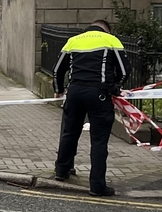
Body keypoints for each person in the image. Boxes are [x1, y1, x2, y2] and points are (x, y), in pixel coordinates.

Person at [52, 19, 127, 197]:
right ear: (106, 30)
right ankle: (97, 186)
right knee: (99, 140)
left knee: (70, 133)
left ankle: (61, 171)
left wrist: (58, 89)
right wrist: (115, 87)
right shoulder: (111, 40)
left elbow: (57, 70)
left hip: (75, 92)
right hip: (99, 94)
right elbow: (124, 71)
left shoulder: (73, 41)